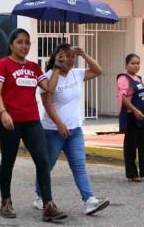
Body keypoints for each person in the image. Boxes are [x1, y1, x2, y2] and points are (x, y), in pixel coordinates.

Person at [0, 28, 66, 222]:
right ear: (11, 45)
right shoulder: (3, 65)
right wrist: (3, 112)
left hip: (32, 121)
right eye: (20, 42)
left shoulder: (33, 67)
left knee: (42, 161)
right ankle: (5, 202)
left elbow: (48, 87)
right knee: (8, 161)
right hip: (9, 122)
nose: (24, 46)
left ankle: (48, 205)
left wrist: (57, 68)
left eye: (27, 42)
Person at [34, 44, 111, 216]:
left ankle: (89, 200)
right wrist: (60, 124)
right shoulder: (47, 77)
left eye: (71, 56)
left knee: (79, 166)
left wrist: (84, 54)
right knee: (47, 165)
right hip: (53, 131)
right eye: (65, 56)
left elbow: (98, 70)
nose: (70, 59)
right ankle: (40, 196)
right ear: (57, 58)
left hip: (75, 130)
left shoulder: (77, 74)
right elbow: (47, 104)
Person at [117, 53, 144, 183]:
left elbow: (141, 95)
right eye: (133, 63)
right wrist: (135, 111)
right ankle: (132, 173)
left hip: (143, 118)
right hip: (132, 117)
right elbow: (123, 98)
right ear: (126, 65)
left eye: (138, 63)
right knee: (131, 146)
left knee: (143, 144)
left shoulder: (138, 78)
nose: (136, 66)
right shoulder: (123, 79)